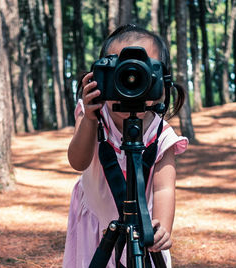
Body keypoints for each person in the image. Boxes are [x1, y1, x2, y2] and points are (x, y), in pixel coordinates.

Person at [63, 24, 189, 268]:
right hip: (95, 230)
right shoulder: (93, 117)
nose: (131, 82)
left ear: (162, 81)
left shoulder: (161, 134)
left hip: (143, 229)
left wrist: (162, 226)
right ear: (101, 77)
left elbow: (164, 189)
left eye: (142, 72)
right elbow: (78, 162)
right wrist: (89, 119)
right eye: (121, 72)